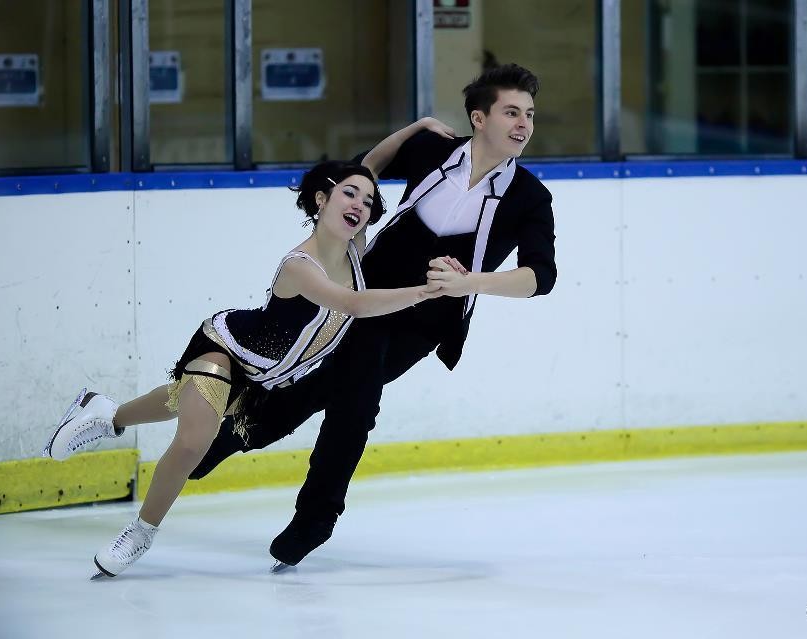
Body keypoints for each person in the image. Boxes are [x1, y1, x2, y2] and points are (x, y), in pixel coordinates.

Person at [190, 63, 558, 571]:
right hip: (369, 289)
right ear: (479, 117)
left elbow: (541, 276)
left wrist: (472, 282)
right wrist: (412, 128)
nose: (523, 124)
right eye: (511, 112)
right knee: (338, 391)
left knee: (349, 395)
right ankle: (300, 504)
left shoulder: (530, 197)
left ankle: (258, 461)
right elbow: (362, 170)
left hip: (426, 319)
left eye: (530, 114)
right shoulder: (434, 152)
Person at [42, 159, 454, 578]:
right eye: (348, 193)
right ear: (321, 198)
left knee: (178, 400)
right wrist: (426, 292)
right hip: (231, 349)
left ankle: (106, 413)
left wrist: (417, 127)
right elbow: (352, 305)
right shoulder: (301, 265)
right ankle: (141, 532)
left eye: (368, 200)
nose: (360, 204)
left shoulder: (354, 248)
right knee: (192, 442)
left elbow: (368, 166)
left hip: (265, 381)